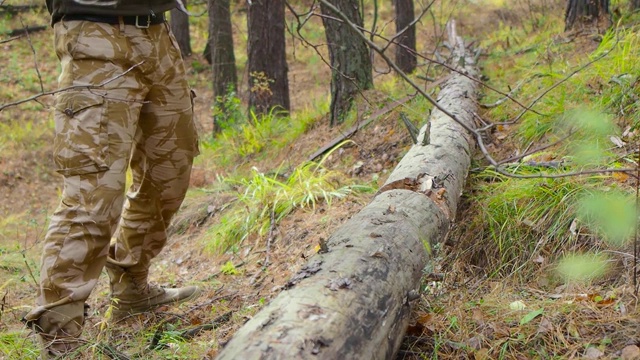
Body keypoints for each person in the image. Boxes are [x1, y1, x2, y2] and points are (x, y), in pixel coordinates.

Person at [22, 1, 201, 358]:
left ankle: (132, 286)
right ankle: (61, 339)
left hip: (158, 34)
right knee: (93, 193)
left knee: (170, 174)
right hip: (95, 36)